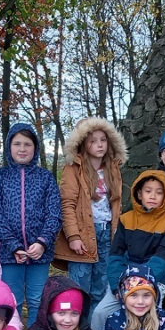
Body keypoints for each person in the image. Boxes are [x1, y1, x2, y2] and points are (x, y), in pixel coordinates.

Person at [89, 171, 165, 330]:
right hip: (124, 278)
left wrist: (139, 285)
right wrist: (118, 286)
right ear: (139, 193)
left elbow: (162, 259)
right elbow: (115, 255)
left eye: (159, 192)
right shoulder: (126, 219)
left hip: (153, 279)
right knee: (100, 313)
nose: (153, 196)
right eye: (148, 191)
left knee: (147, 316)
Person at [0, 122, 62, 326]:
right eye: (17, 144)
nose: (22, 149)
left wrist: (42, 242)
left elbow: (54, 213)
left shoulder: (45, 178)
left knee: (37, 300)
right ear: (9, 146)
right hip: (9, 253)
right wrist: (13, 245)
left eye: (27, 144)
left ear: (35, 147)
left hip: (39, 252)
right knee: (12, 300)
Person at [54, 117, 125, 304]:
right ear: (82, 144)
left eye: (103, 140)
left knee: (101, 289)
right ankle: (79, 324)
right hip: (84, 234)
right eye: (93, 141)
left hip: (107, 234)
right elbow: (67, 204)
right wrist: (73, 236)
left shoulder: (113, 168)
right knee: (80, 289)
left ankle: (96, 324)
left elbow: (115, 205)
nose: (99, 145)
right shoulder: (73, 169)